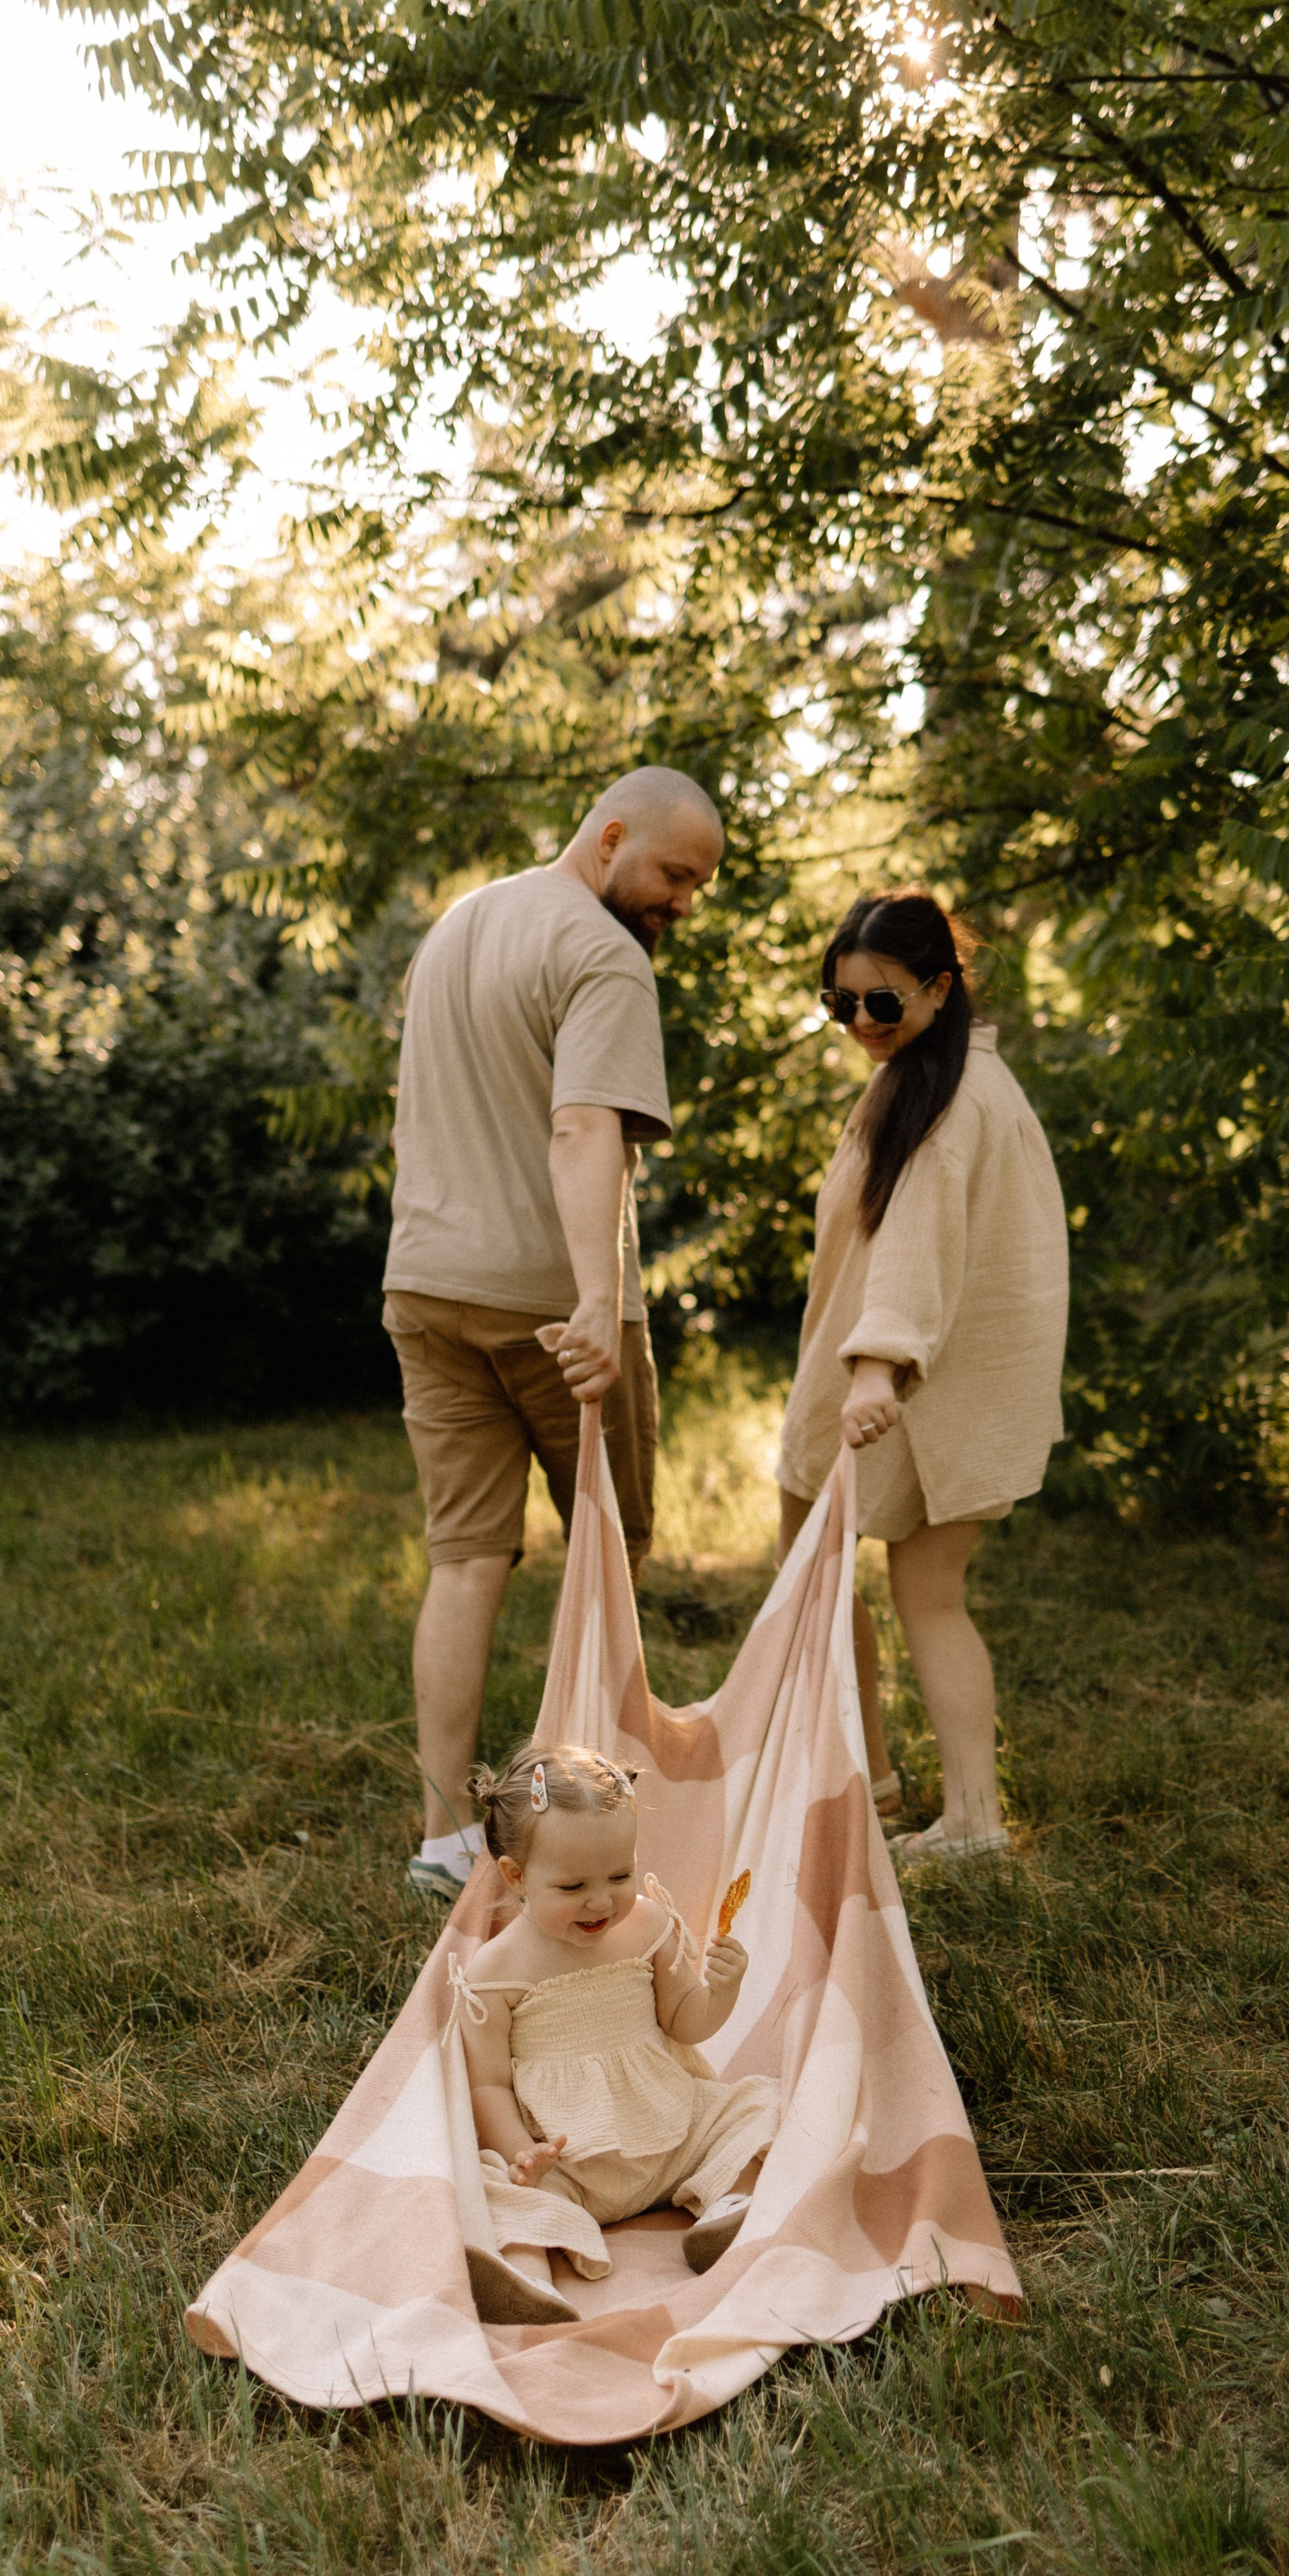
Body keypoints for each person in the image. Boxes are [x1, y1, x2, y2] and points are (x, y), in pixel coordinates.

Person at [384, 767, 724, 1901]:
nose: (682, 901)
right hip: (552, 1302)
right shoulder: (605, 954)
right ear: (613, 836)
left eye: (698, 886)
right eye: (675, 874)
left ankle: (443, 1843)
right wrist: (593, 1303)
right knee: (609, 1559)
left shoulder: (465, 921)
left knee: (466, 1559)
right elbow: (583, 1130)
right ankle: (579, 1835)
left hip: (426, 1284)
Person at [775, 891, 1068, 1865]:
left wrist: (877, 1367)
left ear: (940, 988)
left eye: (882, 1004)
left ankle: (942, 1807)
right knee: (846, 1566)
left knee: (899, 1582)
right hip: (927, 1370)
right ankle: (882, 1783)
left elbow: (917, 1241)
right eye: (839, 1004)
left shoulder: (946, 1102)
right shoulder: (930, 1078)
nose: (860, 1024)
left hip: (917, 1376)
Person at [447, 1744, 778, 2324]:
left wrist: (721, 1991)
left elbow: (684, 2020)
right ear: (516, 1876)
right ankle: (526, 2276)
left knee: (755, 2108)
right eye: (573, 1887)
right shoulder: (495, 1972)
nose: (601, 1901)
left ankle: (730, 2205)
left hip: (672, 2130)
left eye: (620, 1875)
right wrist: (523, 2152)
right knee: (493, 2183)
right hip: (569, 2160)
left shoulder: (648, 1924)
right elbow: (488, 2086)